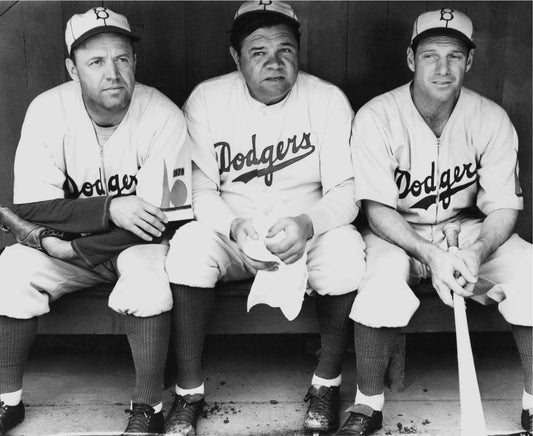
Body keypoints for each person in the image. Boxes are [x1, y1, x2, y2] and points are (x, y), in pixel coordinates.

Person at [162, 1, 366, 434]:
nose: (274, 62)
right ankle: (188, 391)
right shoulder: (207, 98)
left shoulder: (327, 100)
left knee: (347, 251)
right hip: (233, 232)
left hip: (304, 232)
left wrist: (310, 224)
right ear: (236, 57)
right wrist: (232, 229)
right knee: (187, 249)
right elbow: (199, 191)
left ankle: (326, 382)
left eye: (285, 49)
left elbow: (347, 193)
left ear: (299, 52)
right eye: (258, 51)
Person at [337, 8, 533, 435]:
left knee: (529, 269)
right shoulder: (377, 116)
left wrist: (476, 252)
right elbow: (376, 210)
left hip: (468, 228)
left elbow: (504, 206)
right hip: (398, 230)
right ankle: (367, 405)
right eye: (431, 55)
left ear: (470, 62)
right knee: (381, 278)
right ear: (411, 59)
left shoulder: (491, 118)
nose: (443, 68)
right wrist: (427, 252)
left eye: (454, 56)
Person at [0, 6, 192, 435]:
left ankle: (149, 406)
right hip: (67, 245)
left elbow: (166, 219)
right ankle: (6, 400)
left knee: (148, 279)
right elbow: (31, 206)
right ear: (72, 69)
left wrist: (76, 246)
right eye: (96, 61)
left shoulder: (162, 114)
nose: (113, 73)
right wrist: (110, 207)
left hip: (133, 245)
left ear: (135, 62)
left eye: (122, 58)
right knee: (11, 269)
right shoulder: (47, 110)